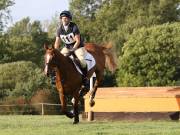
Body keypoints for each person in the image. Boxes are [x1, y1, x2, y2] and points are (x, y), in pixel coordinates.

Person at [53, 10, 89, 88]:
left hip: (78, 46)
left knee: (82, 61)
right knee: (57, 59)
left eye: (66, 18)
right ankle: (55, 77)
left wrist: (73, 49)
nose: (64, 20)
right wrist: (55, 51)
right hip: (67, 47)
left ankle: (85, 78)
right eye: (62, 18)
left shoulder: (74, 27)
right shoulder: (59, 29)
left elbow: (78, 41)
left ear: (69, 19)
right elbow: (57, 42)